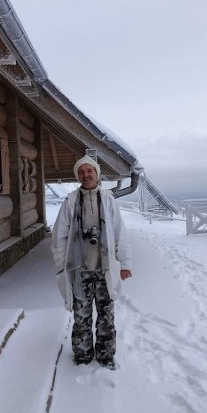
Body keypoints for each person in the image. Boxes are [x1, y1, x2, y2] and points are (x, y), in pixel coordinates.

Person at [51, 155, 132, 369]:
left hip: (105, 269)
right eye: (81, 172)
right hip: (80, 270)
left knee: (106, 316)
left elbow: (119, 232)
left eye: (90, 171)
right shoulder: (70, 201)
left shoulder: (107, 199)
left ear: (96, 174)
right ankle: (83, 356)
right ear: (77, 175)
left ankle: (105, 356)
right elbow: (59, 237)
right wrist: (61, 266)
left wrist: (124, 263)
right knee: (82, 316)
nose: (86, 175)